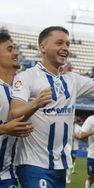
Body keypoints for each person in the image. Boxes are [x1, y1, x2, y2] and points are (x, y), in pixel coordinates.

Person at [9, 26, 94, 188]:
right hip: (33, 164)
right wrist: (36, 104)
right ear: (43, 47)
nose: (65, 48)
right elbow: (14, 115)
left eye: (68, 44)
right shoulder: (26, 77)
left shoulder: (73, 80)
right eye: (59, 43)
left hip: (60, 166)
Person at [0, 32, 33, 188]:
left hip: (8, 176)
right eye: (9, 49)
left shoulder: (21, 89)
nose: (16, 53)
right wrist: (4, 128)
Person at [66, 116, 82, 183]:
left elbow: (82, 137)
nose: (73, 119)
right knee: (66, 159)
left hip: (74, 147)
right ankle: (67, 174)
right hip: (66, 146)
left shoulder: (78, 128)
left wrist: (77, 136)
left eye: (75, 118)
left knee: (73, 160)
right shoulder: (66, 125)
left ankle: (70, 171)